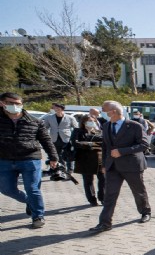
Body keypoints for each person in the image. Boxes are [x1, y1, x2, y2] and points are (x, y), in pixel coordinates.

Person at [90, 101, 151, 232]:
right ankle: (105, 223)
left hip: (132, 165)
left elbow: (144, 145)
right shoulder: (106, 126)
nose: (103, 114)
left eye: (105, 111)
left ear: (114, 112)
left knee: (138, 191)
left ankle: (145, 212)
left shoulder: (134, 126)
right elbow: (105, 146)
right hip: (113, 166)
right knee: (109, 195)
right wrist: (104, 164)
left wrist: (122, 151)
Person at [0, 92, 59, 228]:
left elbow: (46, 140)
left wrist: (54, 157)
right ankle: (29, 202)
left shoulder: (34, 121)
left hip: (30, 159)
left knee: (32, 189)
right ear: (2, 103)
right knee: (6, 189)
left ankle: (38, 215)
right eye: (10, 103)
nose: (15, 106)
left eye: (18, 103)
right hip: (4, 160)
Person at [72, 115, 105, 206]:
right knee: (88, 180)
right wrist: (90, 144)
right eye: (89, 121)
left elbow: (103, 143)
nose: (92, 122)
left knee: (103, 179)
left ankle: (103, 198)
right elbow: (76, 143)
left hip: (99, 158)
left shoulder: (99, 132)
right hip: (85, 159)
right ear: (84, 122)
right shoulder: (78, 131)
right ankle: (92, 199)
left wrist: (87, 144)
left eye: (93, 120)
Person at [42, 103, 78, 172]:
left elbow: (76, 128)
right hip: (54, 138)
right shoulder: (49, 117)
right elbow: (44, 127)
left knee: (68, 155)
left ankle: (70, 170)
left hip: (67, 139)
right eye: (55, 108)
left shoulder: (70, 118)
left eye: (58, 108)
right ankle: (61, 169)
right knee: (56, 155)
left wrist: (74, 138)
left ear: (62, 108)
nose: (56, 109)